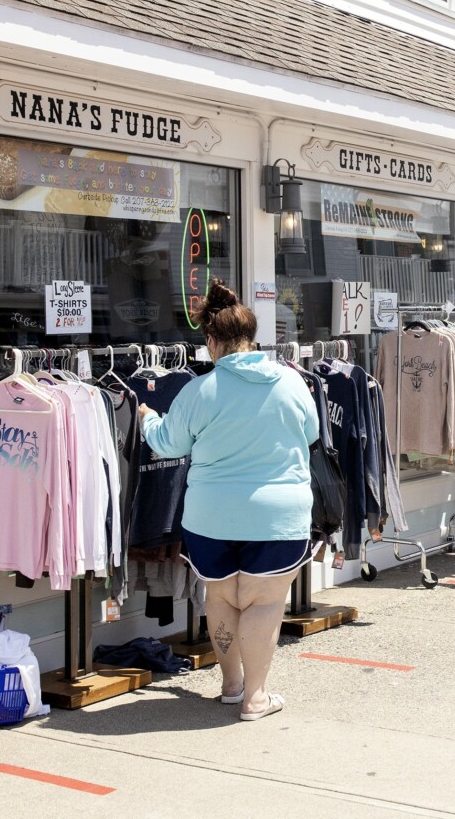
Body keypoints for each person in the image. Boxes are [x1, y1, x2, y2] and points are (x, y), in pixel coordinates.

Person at [139, 279, 319, 721]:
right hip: (277, 516)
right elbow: (313, 434)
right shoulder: (292, 384)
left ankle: (232, 685)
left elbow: (167, 443)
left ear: (211, 342)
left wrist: (146, 418)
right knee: (263, 601)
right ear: (252, 338)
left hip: (211, 517)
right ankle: (257, 697)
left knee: (220, 597)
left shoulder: (199, 391)